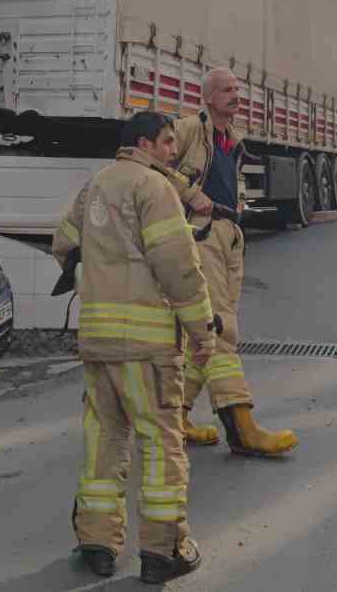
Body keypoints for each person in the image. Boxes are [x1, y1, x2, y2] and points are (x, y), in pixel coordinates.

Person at [52, 111, 217, 584]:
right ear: (145, 144)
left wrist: (91, 271)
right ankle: (164, 552)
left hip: (98, 343)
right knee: (161, 445)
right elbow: (178, 268)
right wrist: (202, 329)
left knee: (104, 442)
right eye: (167, 142)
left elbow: (62, 243)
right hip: (147, 349)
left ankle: (98, 545)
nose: (172, 151)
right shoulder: (155, 187)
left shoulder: (97, 185)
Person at [169, 68, 299, 458]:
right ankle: (243, 428)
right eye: (226, 90)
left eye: (237, 89)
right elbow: (151, 164)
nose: (235, 95)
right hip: (202, 235)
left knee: (201, 338)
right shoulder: (189, 129)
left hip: (229, 237)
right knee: (219, 327)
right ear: (207, 97)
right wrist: (191, 194)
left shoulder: (231, 141)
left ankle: (177, 417)